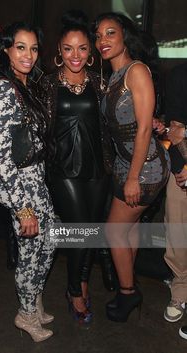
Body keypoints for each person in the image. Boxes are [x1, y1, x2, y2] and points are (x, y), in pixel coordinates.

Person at [93, 12, 170, 322]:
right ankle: (129, 284)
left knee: (113, 232)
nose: (102, 41)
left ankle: (128, 293)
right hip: (130, 164)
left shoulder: (136, 71)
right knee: (130, 228)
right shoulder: (114, 75)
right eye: (98, 36)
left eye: (110, 33)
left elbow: (141, 130)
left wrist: (134, 178)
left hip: (145, 167)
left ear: (124, 35)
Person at [40, 10, 115, 324]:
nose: (75, 55)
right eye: (69, 48)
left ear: (91, 51)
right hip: (63, 169)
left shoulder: (101, 83)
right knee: (81, 229)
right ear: (60, 50)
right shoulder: (45, 84)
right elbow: (30, 121)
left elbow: (116, 122)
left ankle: (83, 281)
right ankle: (73, 291)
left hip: (98, 169)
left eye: (82, 48)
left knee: (92, 229)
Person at [0, 21, 55, 342]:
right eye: (20, 47)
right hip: (19, 184)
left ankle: (34, 299)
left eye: (34, 48)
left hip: (36, 178)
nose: (28, 55)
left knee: (49, 242)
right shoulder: (4, 89)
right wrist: (23, 209)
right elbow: (2, 158)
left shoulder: (24, 84)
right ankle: (25, 314)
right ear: (6, 50)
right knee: (30, 253)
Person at [158, 63, 187, 327]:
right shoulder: (180, 74)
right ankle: (180, 291)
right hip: (183, 169)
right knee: (177, 232)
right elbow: (176, 130)